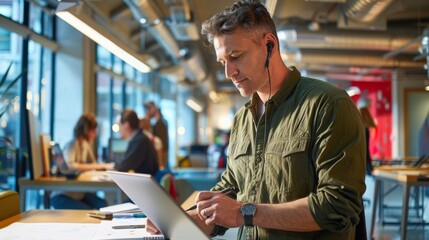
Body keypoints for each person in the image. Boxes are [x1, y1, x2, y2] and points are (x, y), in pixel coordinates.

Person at [147, 1, 366, 239]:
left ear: (269, 45)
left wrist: (246, 213)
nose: (229, 73)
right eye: (223, 62)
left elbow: (338, 206)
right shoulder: (243, 119)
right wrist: (187, 221)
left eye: (236, 56)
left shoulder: (328, 104)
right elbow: (232, 186)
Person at [51, 113, 113, 209]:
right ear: (87, 130)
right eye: (93, 130)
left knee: (103, 205)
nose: (95, 134)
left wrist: (99, 166)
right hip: (63, 195)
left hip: (78, 194)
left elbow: (94, 164)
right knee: (88, 212)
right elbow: (70, 166)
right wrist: (99, 166)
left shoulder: (85, 145)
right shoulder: (72, 143)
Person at [114, 109, 159, 176]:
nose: (119, 129)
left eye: (120, 125)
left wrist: (108, 166)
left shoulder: (140, 141)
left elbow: (123, 167)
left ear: (126, 125)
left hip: (145, 185)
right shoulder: (139, 138)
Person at [144, 101, 168, 169]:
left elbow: (162, 145)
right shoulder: (158, 123)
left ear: (154, 108)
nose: (146, 111)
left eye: (148, 108)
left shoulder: (160, 124)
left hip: (160, 158)